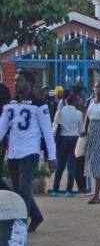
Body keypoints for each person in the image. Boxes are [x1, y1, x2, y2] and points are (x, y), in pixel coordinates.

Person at [0, 71, 57, 232]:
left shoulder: (39, 105)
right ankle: (36, 216)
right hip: (13, 152)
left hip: (30, 152)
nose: (16, 83)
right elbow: (2, 127)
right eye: (16, 80)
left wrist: (52, 157)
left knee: (24, 190)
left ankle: (20, 225)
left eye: (20, 81)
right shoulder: (10, 104)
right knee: (19, 190)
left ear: (30, 84)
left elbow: (47, 132)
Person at [49, 91, 83, 197]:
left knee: (60, 166)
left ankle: (55, 189)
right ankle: (69, 190)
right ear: (74, 101)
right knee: (71, 166)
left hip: (62, 139)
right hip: (74, 140)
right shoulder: (79, 113)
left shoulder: (60, 111)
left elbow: (54, 125)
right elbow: (80, 129)